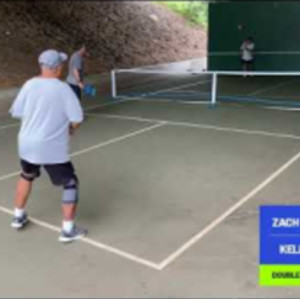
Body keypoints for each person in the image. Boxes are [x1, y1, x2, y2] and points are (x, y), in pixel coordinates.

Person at [9, 49, 86, 243]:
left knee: (26, 175)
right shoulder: (63, 89)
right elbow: (77, 118)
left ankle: (18, 216)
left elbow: (17, 112)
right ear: (58, 68)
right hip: (51, 146)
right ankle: (68, 230)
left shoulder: (29, 84)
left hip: (26, 143)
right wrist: (70, 128)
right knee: (70, 183)